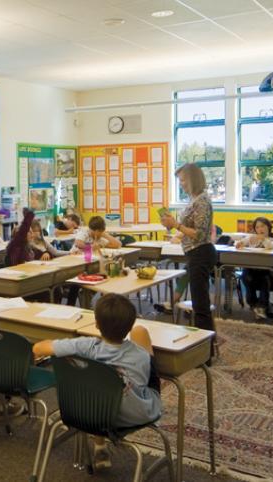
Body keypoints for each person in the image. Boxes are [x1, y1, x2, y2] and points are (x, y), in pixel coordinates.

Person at [32, 294, 161, 470]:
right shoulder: (141, 355)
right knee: (141, 333)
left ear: (97, 324)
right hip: (129, 416)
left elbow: (38, 348)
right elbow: (144, 380)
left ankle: (99, 444)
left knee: (98, 382)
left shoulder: (86, 346)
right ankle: (100, 443)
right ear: (129, 325)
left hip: (88, 411)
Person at [158, 163, 215, 335]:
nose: (181, 183)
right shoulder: (194, 200)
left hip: (201, 252)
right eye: (180, 180)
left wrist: (176, 224)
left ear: (193, 179)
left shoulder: (202, 201)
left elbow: (199, 234)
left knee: (200, 305)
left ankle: (206, 347)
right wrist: (171, 224)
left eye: (183, 180)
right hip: (194, 253)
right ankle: (203, 344)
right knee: (199, 302)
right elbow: (187, 230)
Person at [236, 217, 273, 319]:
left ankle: (263, 305)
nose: (260, 229)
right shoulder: (251, 238)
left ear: (268, 227)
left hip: (266, 271)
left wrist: (263, 239)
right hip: (250, 270)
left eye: (263, 226)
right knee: (246, 276)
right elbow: (240, 243)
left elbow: (270, 247)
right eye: (257, 227)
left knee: (265, 281)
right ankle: (255, 304)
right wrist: (239, 243)